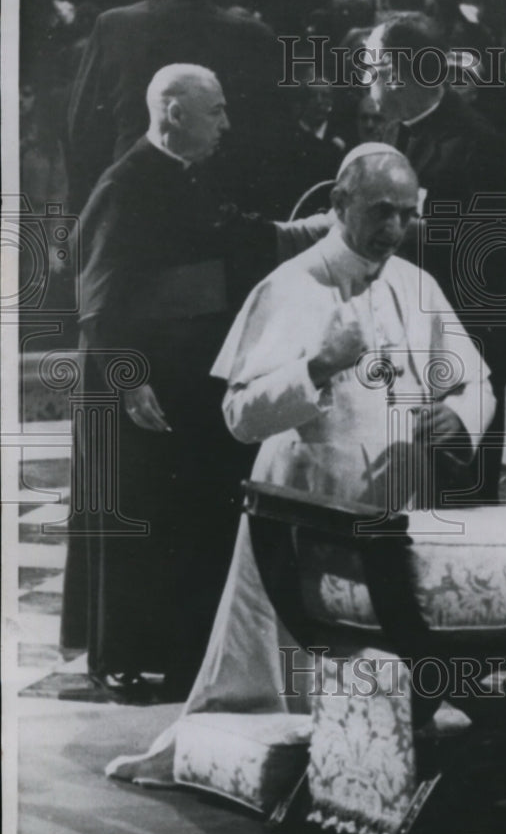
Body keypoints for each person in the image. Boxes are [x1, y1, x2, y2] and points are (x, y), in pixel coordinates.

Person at [106, 142, 494, 785]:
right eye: (379, 212)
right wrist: (317, 366)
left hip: (401, 505)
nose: (394, 230)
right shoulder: (288, 286)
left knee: (395, 648)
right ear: (340, 204)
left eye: (406, 213)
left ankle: (382, 751)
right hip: (304, 508)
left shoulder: (417, 284)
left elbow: (475, 381)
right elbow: (239, 416)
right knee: (277, 664)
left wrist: (462, 416)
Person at [61, 64, 327, 698]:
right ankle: (123, 656)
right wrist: (129, 380)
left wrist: (308, 234)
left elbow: (230, 238)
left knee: (175, 517)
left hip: (177, 375)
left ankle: (179, 650)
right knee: (135, 518)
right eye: (216, 111)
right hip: (132, 379)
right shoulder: (124, 184)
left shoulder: (184, 175)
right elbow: (97, 297)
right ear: (174, 113)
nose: (226, 124)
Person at [364, 12, 506, 502]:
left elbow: (492, 252)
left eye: (372, 66)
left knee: (458, 494)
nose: (366, 79)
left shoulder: (478, 144)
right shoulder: (393, 133)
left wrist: (395, 232)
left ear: (397, 72)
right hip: (405, 328)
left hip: (459, 336)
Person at [67, 0, 294, 220]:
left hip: (134, 210)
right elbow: (274, 139)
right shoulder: (256, 36)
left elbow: (83, 131)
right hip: (222, 216)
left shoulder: (114, 26)